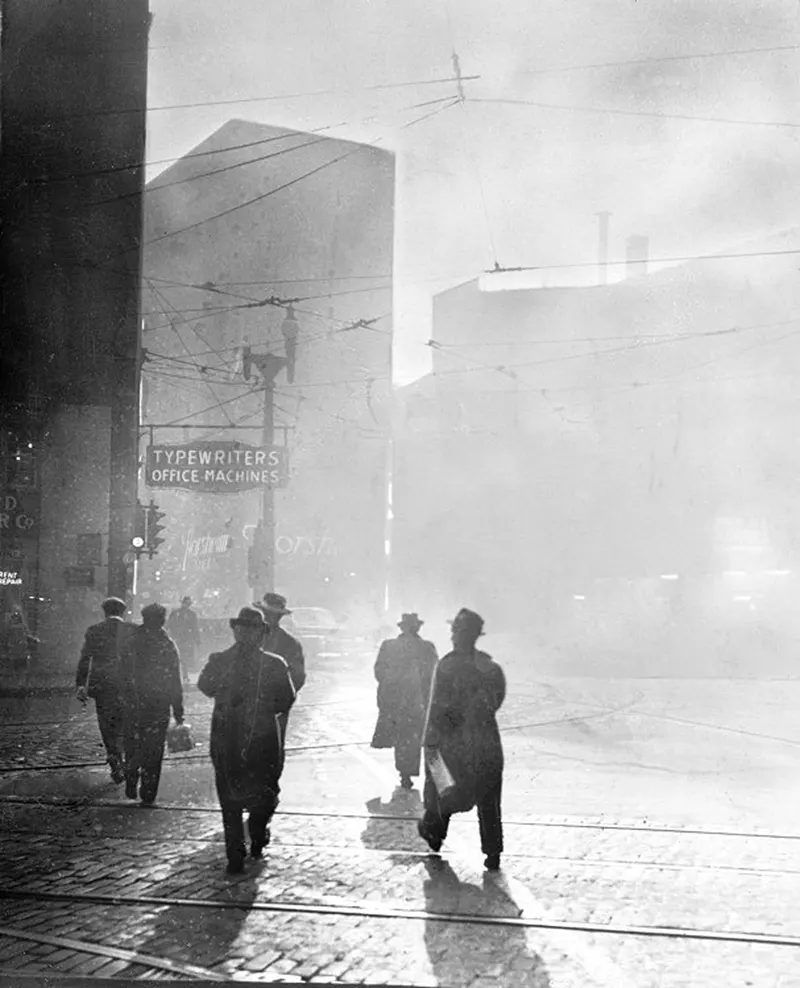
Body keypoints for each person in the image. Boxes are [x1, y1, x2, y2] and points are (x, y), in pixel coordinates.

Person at [198, 606, 296, 875]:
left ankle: (237, 852)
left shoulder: (220, 660)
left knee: (230, 797)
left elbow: (205, 687)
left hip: (228, 737)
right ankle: (253, 836)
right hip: (262, 739)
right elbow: (285, 700)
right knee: (263, 792)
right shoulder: (273, 664)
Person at [417, 608, 506, 871]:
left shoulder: (446, 665)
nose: (454, 635)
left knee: (441, 789)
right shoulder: (491, 668)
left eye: (456, 631)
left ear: (460, 634)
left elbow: (436, 708)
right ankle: (493, 852)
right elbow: (495, 702)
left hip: (450, 744)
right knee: (489, 800)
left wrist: (431, 742)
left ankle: (433, 833)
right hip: (486, 744)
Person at [119, 603, 184, 806]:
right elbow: (175, 679)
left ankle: (131, 774)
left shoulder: (132, 641)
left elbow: (121, 672)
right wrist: (178, 710)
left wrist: (124, 697)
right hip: (158, 705)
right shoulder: (167, 644)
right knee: (154, 750)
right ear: (162, 620)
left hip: (134, 702)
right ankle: (148, 791)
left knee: (132, 743)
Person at [370, 612, 438, 790]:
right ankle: (416, 774)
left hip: (395, 702)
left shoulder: (389, 646)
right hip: (419, 703)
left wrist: (390, 687)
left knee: (402, 739)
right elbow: (434, 674)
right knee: (417, 739)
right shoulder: (427, 647)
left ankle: (405, 774)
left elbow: (379, 671)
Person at [75, 597, 136, 784]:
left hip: (103, 686)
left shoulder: (94, 631)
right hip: (127, 686)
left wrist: (80, 683)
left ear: (105, 612)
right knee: (127, 724)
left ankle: (114, 760)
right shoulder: (133, 630)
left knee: (107, 725)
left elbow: (85, 658)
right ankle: (126, 760)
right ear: (123, 612)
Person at [256, 592, 306, 761]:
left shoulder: (290, 643)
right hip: (250, 702)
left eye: (274, 615)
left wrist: (282, 698)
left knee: (274, 748)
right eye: (268, 614)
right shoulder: (250, 638)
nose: (270, 618)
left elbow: (298, 676)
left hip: (275, 704)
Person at [167, 596, 201, 683]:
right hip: (180, 638)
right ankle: (182, 676)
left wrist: (197, 639)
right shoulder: (185, 614)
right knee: (181, 658)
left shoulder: (187, 614)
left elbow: (194, 628)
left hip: (182, 639)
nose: (187, 605)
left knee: (181, 658)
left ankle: (182, 676)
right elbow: (194, 628)